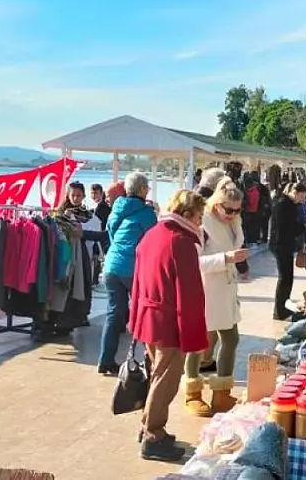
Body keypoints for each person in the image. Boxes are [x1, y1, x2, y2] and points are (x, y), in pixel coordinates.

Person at [130, 189, 209, 462]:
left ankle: (148, 427)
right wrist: (193, 331)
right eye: (199, 217)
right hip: (169, 321)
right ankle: (154, 436)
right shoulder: (181, 242)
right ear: (186, 215)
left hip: (149, 315)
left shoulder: (153, 233)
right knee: (166, 380)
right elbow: (189, 293)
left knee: (156, 375)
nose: (200, 223)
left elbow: (138, 280)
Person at [183, 181, 248, 417]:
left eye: (237, 210)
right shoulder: (203, 223)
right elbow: (194, 262)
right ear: (216, 203)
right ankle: (192, 392)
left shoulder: (234, 222)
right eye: (228, 210)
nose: (232, 214)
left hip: (226, 289)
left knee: (231, 339)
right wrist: (226, 258)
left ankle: (221, 393)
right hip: (206, 289)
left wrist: (235, 260)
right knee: (198, 342)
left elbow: (234, 246)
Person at [98, 172, 159, 375]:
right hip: (132, 269)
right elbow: (153, 242)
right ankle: (149, 361)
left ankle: (105, 360)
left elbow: (112, 234)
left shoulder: (116, 208)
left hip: (111, 266)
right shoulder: (147, 213)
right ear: (142, 190)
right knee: (143, 314)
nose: (148, 190)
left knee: (114, 314)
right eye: (147, 187)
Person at [270, 181, 306, 321]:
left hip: (285, 244)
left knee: (288, 278)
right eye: (302, 196)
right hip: (281, 245)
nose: (303, 200)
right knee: (284, 278)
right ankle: (279, 311)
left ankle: (283, 308)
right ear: (295, 193)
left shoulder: (289, 204)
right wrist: (302, 227)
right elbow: (286, 227)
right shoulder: (283, 204)